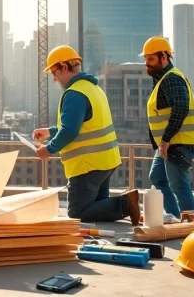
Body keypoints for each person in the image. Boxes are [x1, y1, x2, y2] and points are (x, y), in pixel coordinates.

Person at [32, 45, 140, 225]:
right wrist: (50, 132)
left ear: (64, 67)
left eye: (54, 72)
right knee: (99, 209)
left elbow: (69, 130)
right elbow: (84, 125)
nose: (54, 78)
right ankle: (127, 206)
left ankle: (125, 204)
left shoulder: (74, 94)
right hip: (106, 161)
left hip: (88, 165)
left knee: (77, 211)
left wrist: (48, 149)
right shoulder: (93, 88)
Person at [141, 36, 194, 219]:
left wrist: (166, 139)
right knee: (157, 178)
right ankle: (175, 217)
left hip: (177, 142)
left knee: (179, 185)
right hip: (168, 143)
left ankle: (192, 224)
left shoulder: (171, 79)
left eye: (151, 59)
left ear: (164, 57)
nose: (147, 63)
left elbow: (181, 107)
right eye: (146, 59)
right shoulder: (162, 79)